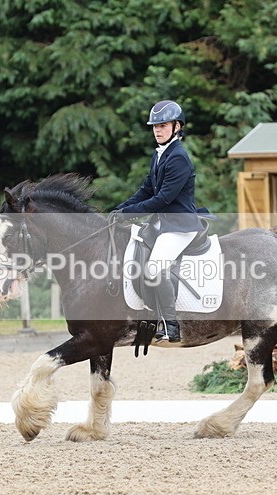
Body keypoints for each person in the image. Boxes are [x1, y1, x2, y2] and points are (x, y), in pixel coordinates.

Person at [111, 100, 203, 343]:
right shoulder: (160, 154)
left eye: (163, 125)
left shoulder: (178, 158)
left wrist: (129, 214)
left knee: (154, 267)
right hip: (162, 225)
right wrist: (119, 209)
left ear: (177, 127)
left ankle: (171, 325)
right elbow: (145, 190)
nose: (157, 130)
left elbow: (162, 199)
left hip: (180, 226)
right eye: (155, 126)